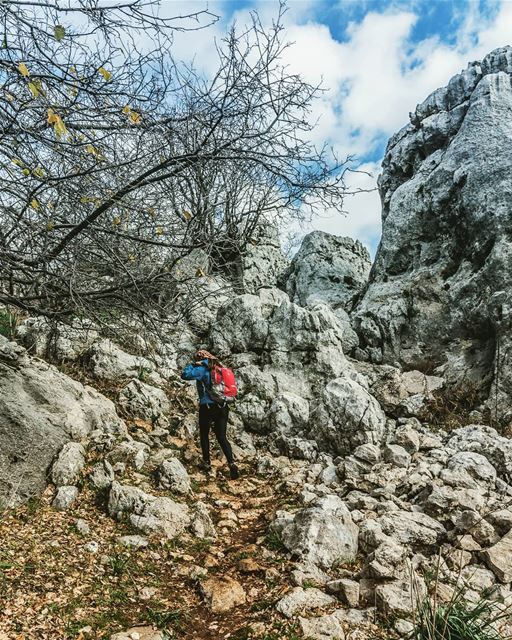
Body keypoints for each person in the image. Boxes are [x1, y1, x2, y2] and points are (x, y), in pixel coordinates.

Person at [181, 349, 239, 479]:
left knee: (204, 434)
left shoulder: (201, 369)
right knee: (222, 437)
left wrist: (194, 365)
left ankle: (206, 462)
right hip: (223, 405)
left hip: (207, 406)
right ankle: (231, 463)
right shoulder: (220, 367)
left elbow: (184, 375)